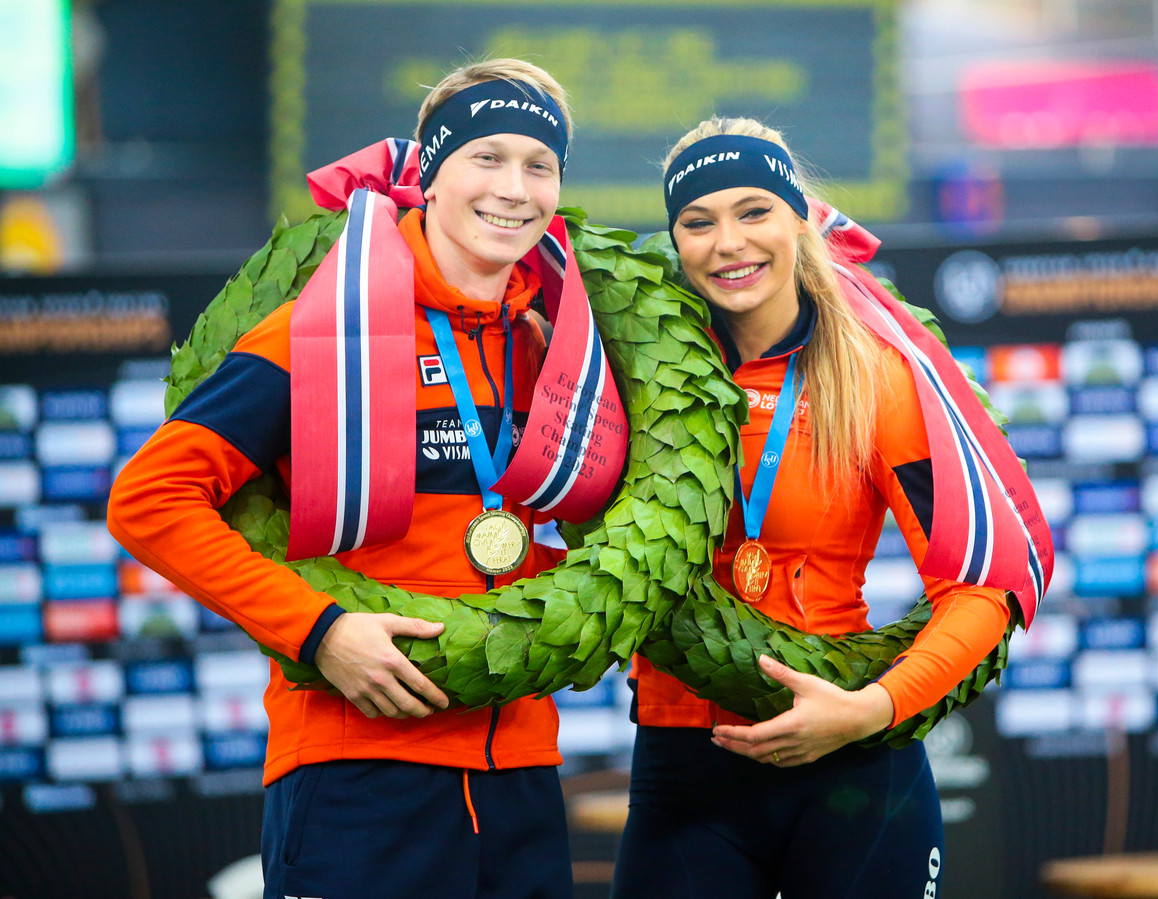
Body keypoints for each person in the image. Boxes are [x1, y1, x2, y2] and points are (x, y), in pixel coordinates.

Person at [108, 60, 583, 899]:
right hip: (357, 768)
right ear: (430, 176)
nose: (515, 187)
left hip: (521, 773)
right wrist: (320, 627)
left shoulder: (557, 352)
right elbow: (149, 499)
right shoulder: (329, 327)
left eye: (539, 164)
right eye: (486, 156)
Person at [611, 117, 1051, 899]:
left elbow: (982, 582)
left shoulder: (873, 376)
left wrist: (871, 708)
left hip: (853, 770)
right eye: (698, 221)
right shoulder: (630, 375)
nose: (729, 242)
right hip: (684, 761)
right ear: (675, 240)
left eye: (754, 211)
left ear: (800, 219)